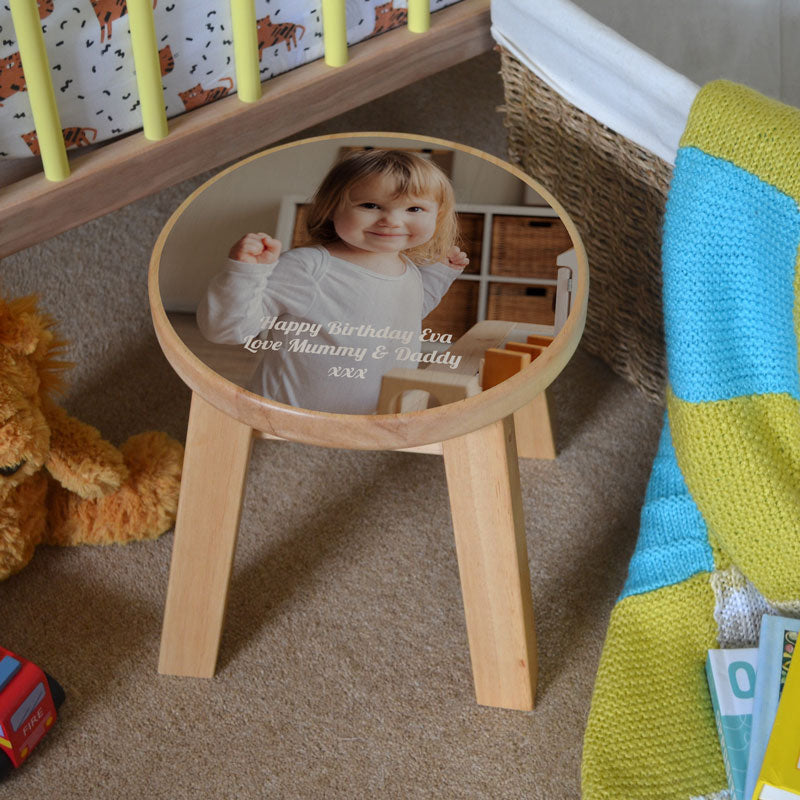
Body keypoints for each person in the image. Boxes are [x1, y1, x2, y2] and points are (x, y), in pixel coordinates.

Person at [197, 148, 469, 413]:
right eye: (370, 205)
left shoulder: (407, 269)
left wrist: (436, 276)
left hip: (372, 419)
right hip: (288, 417)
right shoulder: (308, 267)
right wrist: (245, 274)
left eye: (414, 208)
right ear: (331, 209)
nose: (392, 220)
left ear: (438, 216)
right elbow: (228, 330)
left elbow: (404, 317)